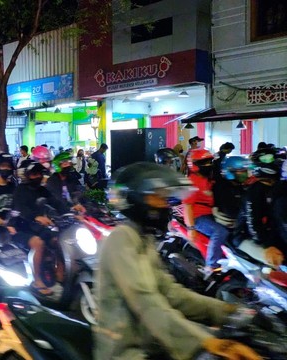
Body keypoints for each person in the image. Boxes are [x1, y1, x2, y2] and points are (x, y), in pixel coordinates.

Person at [96, 162, 261, 360]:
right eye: (157, 198)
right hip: (128, 352)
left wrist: (226, 311)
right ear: (135, 200)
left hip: (154, 344)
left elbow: (171, 293)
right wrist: (205, 342)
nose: (166, 204)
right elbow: (146, 302)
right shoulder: (121, 239)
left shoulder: (144, 239)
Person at [11, 162, 69, 295]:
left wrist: (71, 211)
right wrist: (36, 217)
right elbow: (20, 209)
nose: (37, 176)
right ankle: (37, 281)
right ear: (27, 175)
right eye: (34, 174)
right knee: (38, 243)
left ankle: (59, 275)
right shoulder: (20, 190)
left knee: (59, 240)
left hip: (37, 228)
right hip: (20, 228)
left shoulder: (42, 190)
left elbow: (56, 202)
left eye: (39, 173)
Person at [183, 149, 229, 270]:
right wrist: (191, 228)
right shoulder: (191, 182)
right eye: (204, 162)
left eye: (210, 162)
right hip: (198, 217)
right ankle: (212, 265)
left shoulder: (209, 178)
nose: (208, 165)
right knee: (220, 232)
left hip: (212, 213)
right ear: (194, 164)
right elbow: (187, 206)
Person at [236, 149, 284, 266]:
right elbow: (253, 224)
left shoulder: (276, 188)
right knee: (275, 262)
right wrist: (267, 245)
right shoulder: (255, 192)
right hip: (245, 237)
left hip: (267, 235)